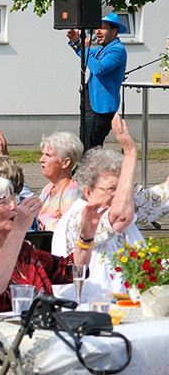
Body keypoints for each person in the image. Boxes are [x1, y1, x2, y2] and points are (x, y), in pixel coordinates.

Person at [0, 174, 107, 316]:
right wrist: (18, 230)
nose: (14, 206)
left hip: (42, 334)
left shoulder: (24, 251)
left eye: (13, 199)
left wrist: (87, 235)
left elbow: (74, 270)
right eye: (3, 202)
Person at [50, 115, 169, 299]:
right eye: (112, 188)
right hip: (91, 306)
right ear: (88, 192)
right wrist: (129, 152)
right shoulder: (79, 216)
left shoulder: (121, 205)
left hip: (129, 302)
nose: (120, 194)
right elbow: (120, 217)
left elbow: (162, 197)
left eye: (122, 187)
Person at [66, 12, 128, 150]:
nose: (98, 31)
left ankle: (87, 170)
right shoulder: (102, 49)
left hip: (101, 110)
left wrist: (84, 47)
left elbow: (99, 68)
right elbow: (83, 54)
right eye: (97, 28)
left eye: (103, 28)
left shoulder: (116, 50)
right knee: (85, 148)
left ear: (114, 31)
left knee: (91, 151)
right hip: (91, 106)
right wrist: (77, 43)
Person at [36, 131, 84, 231]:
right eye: (42, 154)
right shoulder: (48, 188)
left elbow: (69, 230)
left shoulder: (71, 192)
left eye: (48, 155)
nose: (41, 159)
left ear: (65, 163)